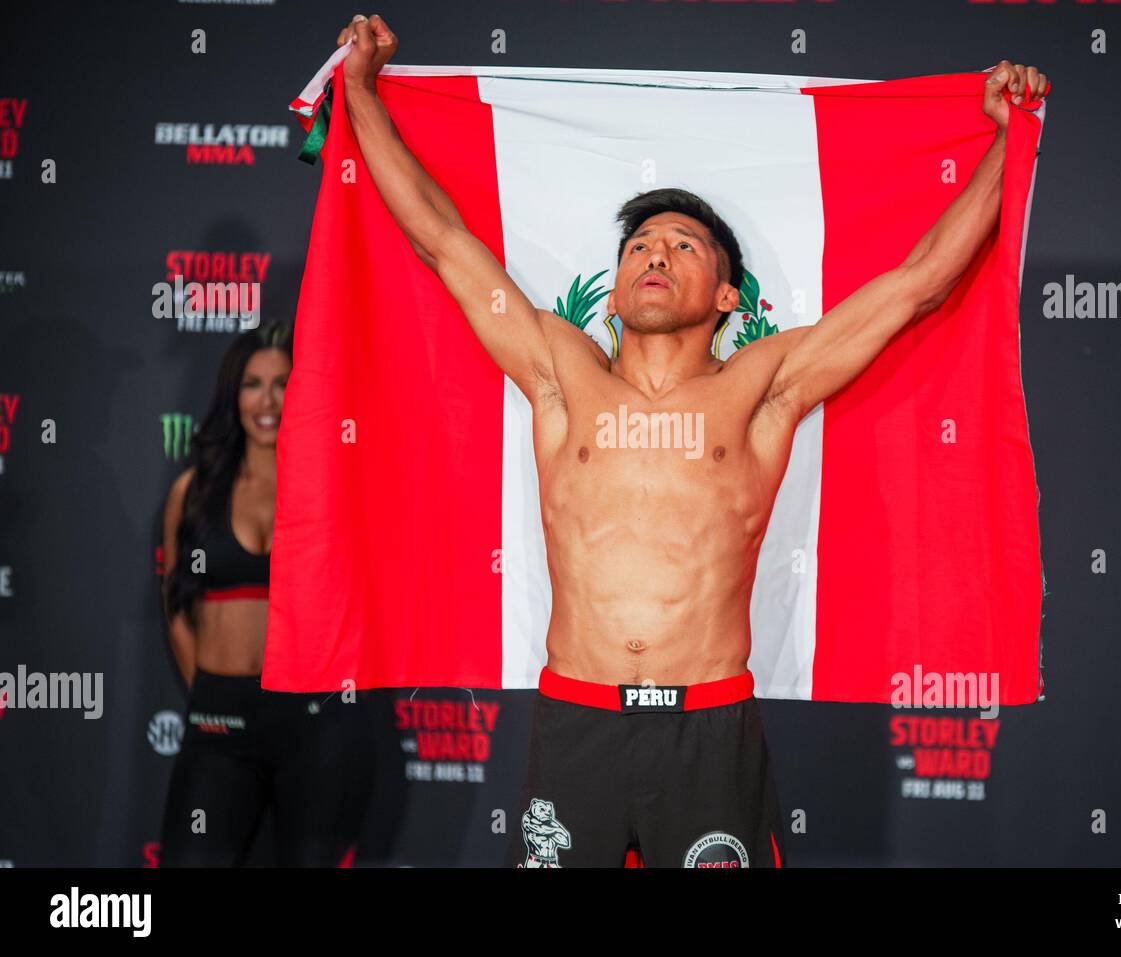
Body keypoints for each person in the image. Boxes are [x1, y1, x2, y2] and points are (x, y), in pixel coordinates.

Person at [336, 14, 1049, 868]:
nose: (654, 255)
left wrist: (1009, 141)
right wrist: (361, 96)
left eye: (683, 245)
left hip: (709, 730)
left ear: (726, 297)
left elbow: (918, 285)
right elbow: (443, 242)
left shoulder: (765, 385)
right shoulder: (562, 371)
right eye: (639, 244)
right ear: (610, 295)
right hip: (576, 722)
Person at [159, 322, 376, 866]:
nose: (268, 400)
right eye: (253, 383)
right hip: (218, 723)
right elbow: (176, 606)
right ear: (233, 393)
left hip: (312, 724)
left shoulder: (332, 482)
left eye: (282, 384)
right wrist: (210, 695)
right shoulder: (194, 490)